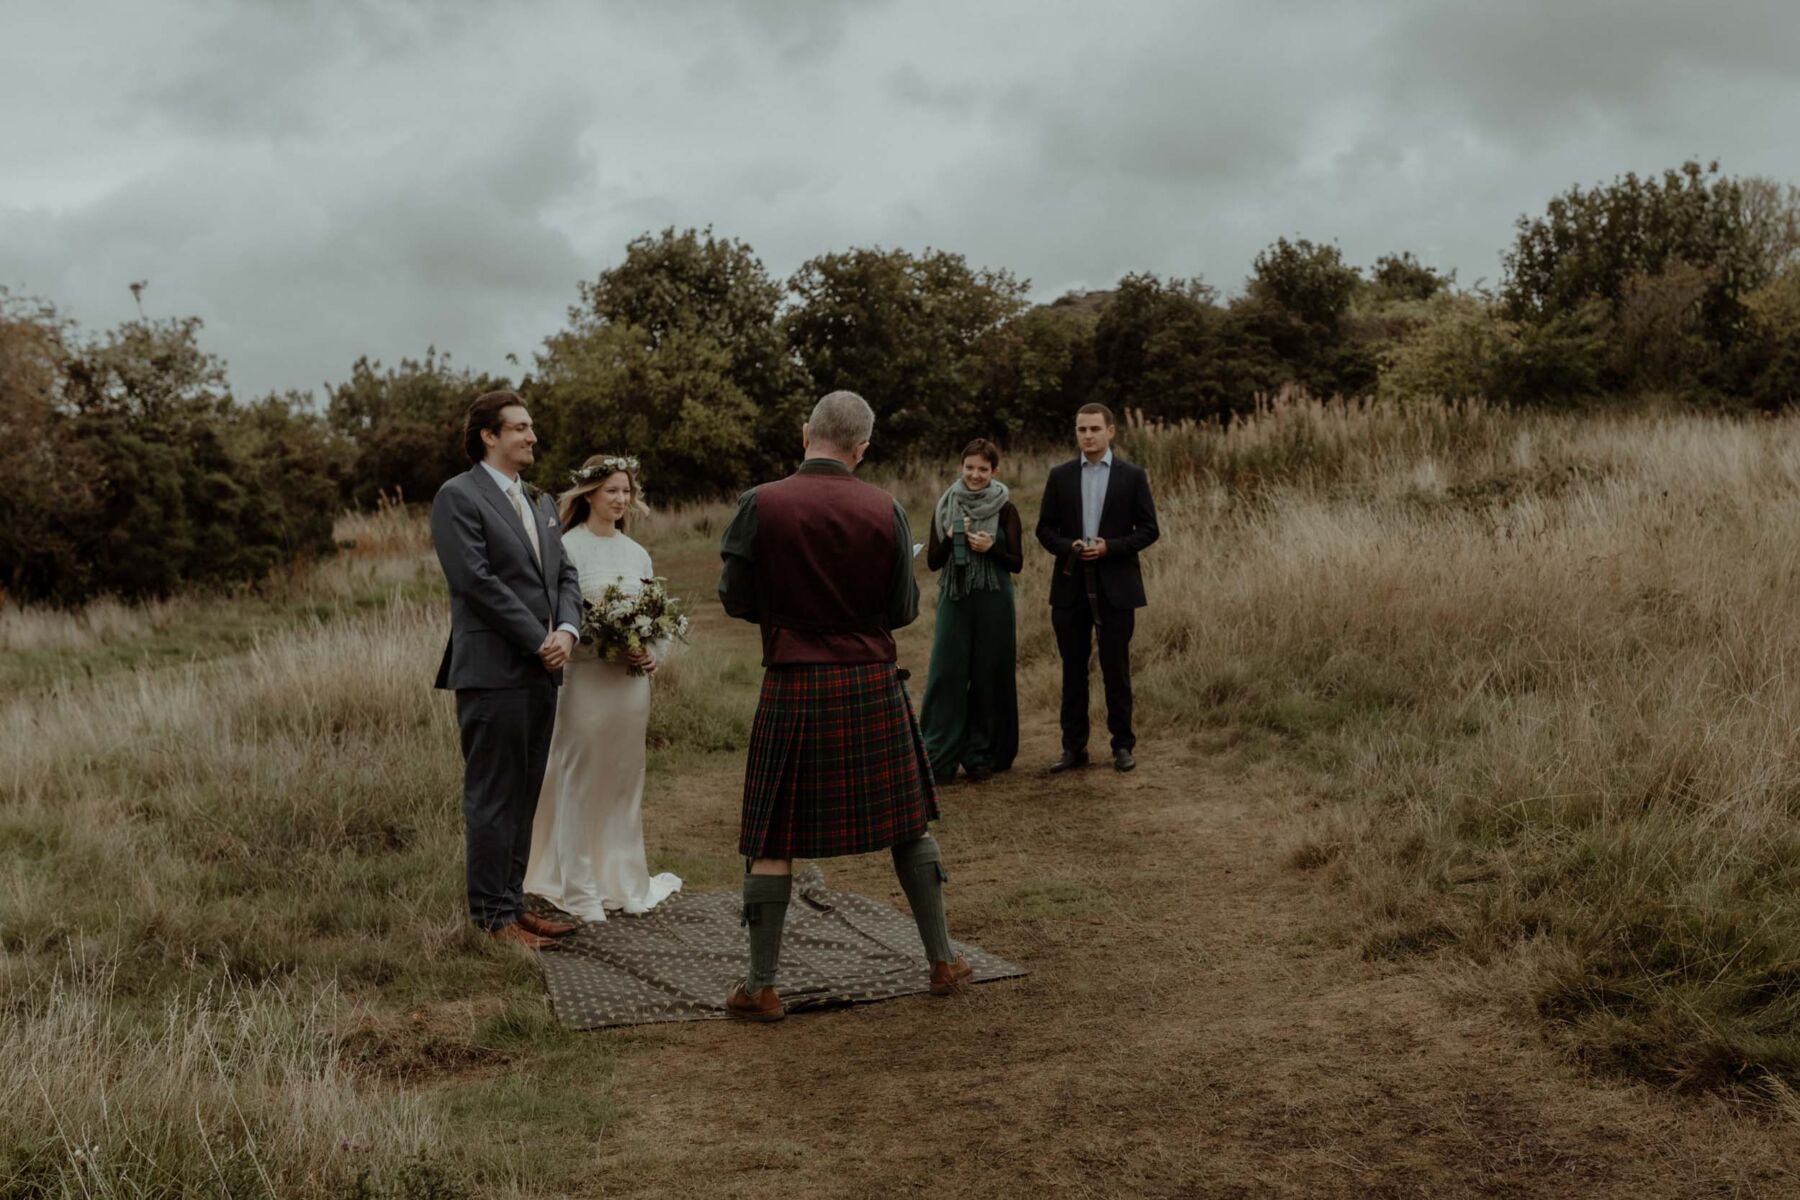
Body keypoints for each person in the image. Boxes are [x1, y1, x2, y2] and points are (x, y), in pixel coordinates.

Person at [717, 390, 971, 1022]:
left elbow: (733, 595)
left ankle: (762, 986)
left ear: (807, 434)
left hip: (794, 680)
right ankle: (941, 961)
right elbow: (904, 610)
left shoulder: (761, 503)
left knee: (772, 831)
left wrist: (785, 614)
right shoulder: (886, 508)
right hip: (869, 680)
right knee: (908, 820)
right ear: (862, 449)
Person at [430, 391, 584, 949]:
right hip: (492, 672)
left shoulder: (541, 503)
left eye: (532, 427)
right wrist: (536, 637)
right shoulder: (458, 497)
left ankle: (513, 907)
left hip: (543, 670)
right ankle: (492, 922)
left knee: (525, 794)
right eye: (519, 427)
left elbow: (564, 576)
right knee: (493, 796)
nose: (532, 436)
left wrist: (567, 631)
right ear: (488, 436)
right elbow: (474, 580)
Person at [524, 454, 683, 922]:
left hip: (630, 688)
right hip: (585, 682)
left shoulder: (637, 553)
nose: (620, 499)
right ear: (589, 493)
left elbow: (659, 617)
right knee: (579, 781)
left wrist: (652, 651)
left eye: (626, 491)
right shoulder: (567, 548)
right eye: (611, 490)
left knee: (622, 779)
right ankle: (580, 888)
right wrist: (597, 644)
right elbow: (555, 619)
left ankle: (623, 880)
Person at [1035, 403, 1160, 774]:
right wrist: (1069, 546)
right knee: (1073, 669)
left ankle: (1122, 745)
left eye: (1094, 429)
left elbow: (1149, 530)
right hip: (1071, 585)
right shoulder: (1059, 476)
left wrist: (1111, 547)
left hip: (1116, 586)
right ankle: (1074, 748)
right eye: (1081, 429)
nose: (1087, 436)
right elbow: (1044, 529)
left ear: (1111, 431)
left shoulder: (1132, 476)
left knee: (1115, 669)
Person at [918, 438, 1022, 784]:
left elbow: (1017, 563)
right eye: (970, 468)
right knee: (946, 673)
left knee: (989, 675)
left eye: (983, 469)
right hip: (956, 597)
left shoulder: (1006, 508)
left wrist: (992, 548)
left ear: (994, 472)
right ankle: (938, 755)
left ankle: (981, 754)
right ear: (961, 467)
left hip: (994, 597)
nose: (975, 475)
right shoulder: (946, 503)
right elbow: (933, 562)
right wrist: (949, 538)